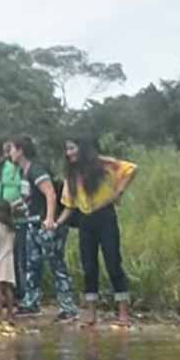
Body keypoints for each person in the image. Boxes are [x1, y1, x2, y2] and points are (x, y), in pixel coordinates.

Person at [56, 137, 137, 326]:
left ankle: (123, 313)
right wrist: (56, 223)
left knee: (113, 262)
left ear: (82, 148)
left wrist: (119, 192)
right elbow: (69, 204)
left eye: (72, 148)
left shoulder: (103, 164)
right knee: (89, 267)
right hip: (85, 220)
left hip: (105, 216)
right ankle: (91, 314)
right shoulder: (71, 174)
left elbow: (131, 169)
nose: (69, 153)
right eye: (67, 150)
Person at [10, 137, 78, 321]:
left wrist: (49, 219)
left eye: (12, 149)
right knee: (32, 264)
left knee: (56, 263)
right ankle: (31, 302)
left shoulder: (35, 170)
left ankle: (68, 306)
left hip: (45, 224)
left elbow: (50, 193)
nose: (10, 153)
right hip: (31, 222)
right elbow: (31, 198)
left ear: (20, 150)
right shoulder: (23, 172)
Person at [0, 139, 26, 300]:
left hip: (20, 214)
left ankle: (22, 292)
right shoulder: (6, 167)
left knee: (19, 255)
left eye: (10, 149)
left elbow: (25, 192)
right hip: (4, 212)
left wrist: (17, 204)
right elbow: (1, 187)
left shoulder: (24, 169)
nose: (8, 154)